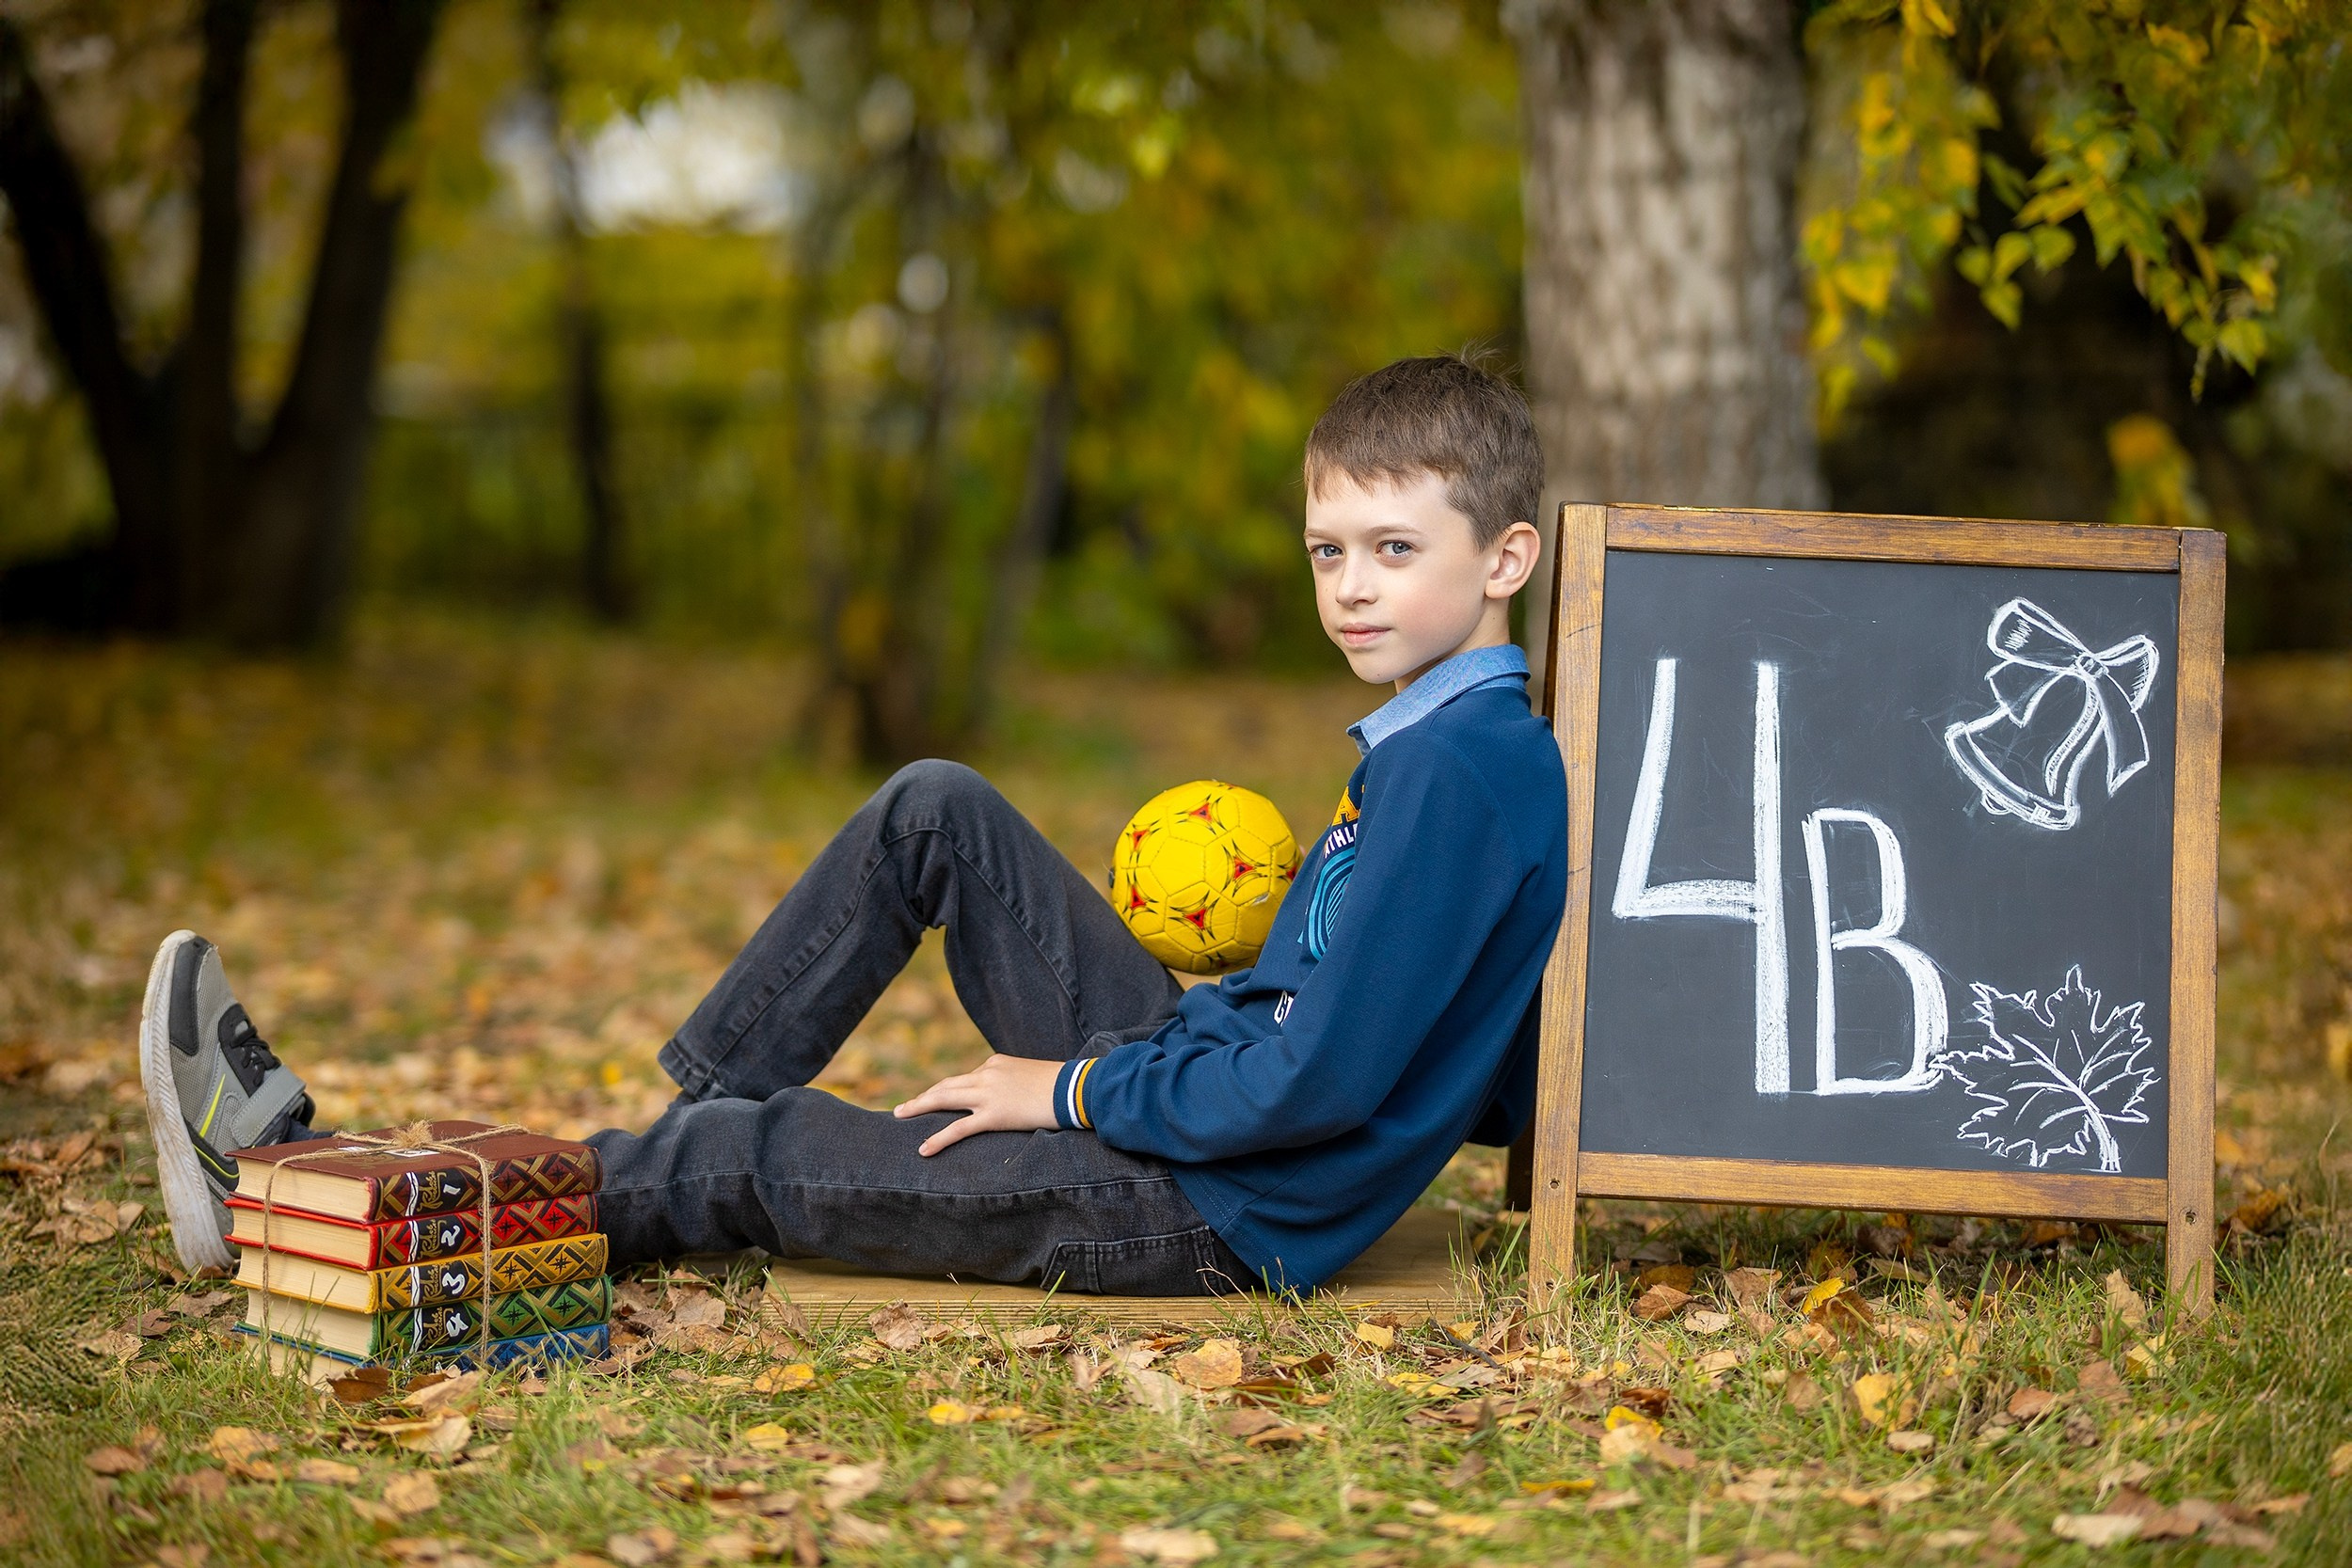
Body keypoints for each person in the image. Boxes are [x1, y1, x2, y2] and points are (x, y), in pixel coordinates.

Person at [140, 354, 1568, 1297]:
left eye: (1395, 551)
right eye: (1329, 550)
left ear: (1508, 557)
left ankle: (284, 1209)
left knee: (752, 1158)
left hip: (1210, 1216)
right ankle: (650, 1159)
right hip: (1201, 1103)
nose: (1351, 590)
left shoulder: (1457, 773)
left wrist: (1062, 1092)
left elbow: (1311, 1091)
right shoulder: (1450, 747)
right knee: (933, 811)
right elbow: (1431, 1042)